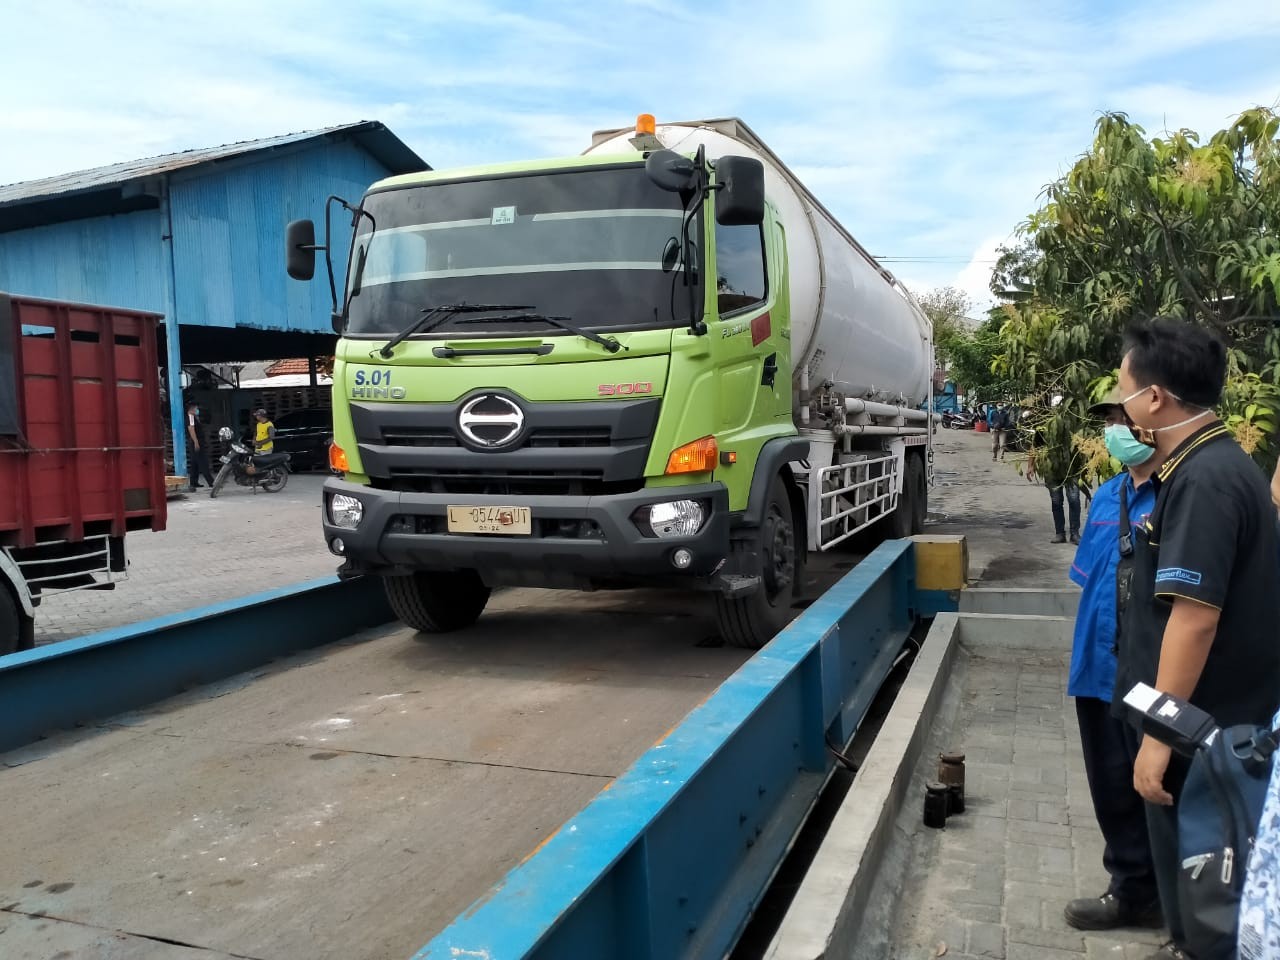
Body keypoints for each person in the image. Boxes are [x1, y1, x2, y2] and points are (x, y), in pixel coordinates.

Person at [1112, 318, 1280, 960]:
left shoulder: (1204, 480)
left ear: (1154, 398)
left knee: (1204, 876)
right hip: (1207, 722)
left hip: (1199, 733)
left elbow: (1195, 616)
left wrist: (1160, 735)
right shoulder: (1210, 464)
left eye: (1125, 390)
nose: (1121, 408)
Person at [1063, 389, 1163, 931]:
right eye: (1107, 422)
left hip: (1149, 675)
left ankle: (1170, 891)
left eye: (1120, 420)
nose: (1112, 432)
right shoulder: (1107, 497)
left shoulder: (1180, 500)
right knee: (1110, 784)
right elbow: (1088, 580)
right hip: (1095, 669)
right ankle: (1130, 888)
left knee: (1158, 786)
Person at [186, 399, 214, 491]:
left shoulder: (194, 417)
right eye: (196, 408)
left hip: (197, 441)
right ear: (192, 408)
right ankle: (211, 482)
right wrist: (196, 442)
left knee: (195, 463)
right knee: (203, 461)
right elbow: (191, 429)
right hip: (196, 442)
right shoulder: (190, 417)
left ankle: (193, 483)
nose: (197, 409)